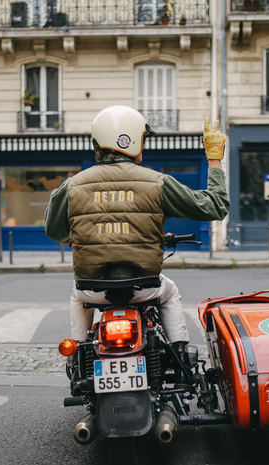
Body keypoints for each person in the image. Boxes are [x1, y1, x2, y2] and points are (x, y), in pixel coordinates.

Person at [44, 105, 229, 345]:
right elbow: (216, 206)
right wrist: (214, 158)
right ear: (132, 141)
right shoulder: (158, 182)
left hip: (93, 290)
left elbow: (53, 229)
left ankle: (78, 355)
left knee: (78, 296)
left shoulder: (72, 185)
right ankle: (180, 353)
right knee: (170, 293)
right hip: (145, 287)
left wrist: (73, 238)